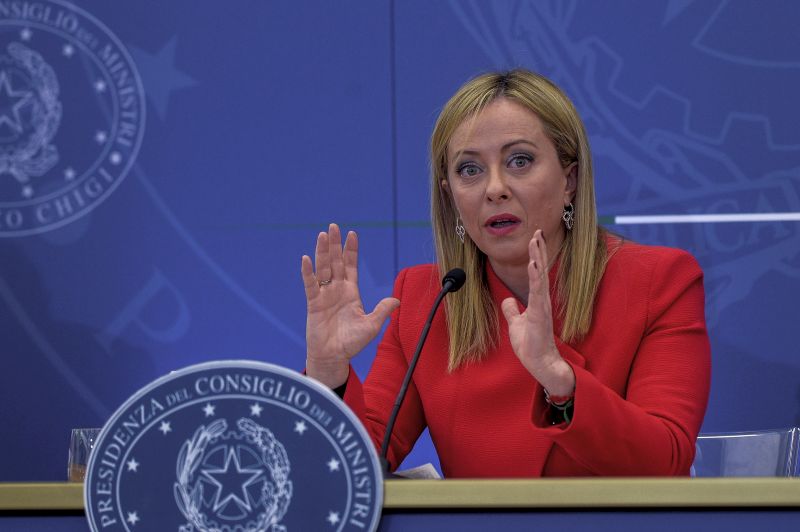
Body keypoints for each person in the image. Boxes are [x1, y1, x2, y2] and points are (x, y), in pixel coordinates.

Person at [300, 69, 711, 478]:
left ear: (569, 180)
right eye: (469, 170)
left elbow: (665, 460)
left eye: (520, 161)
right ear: (450, 196)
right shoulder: (425, 300)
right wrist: (328, 368)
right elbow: (354, 466)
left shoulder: (658, 282)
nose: (494, 188)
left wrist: (560, 381)